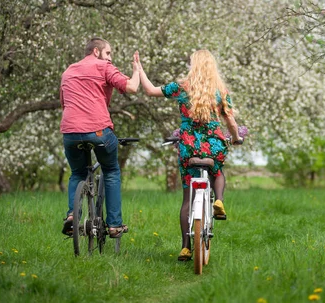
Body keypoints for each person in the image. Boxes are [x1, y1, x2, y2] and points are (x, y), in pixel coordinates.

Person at [136, 49, 242, 261]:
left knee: (187, 199)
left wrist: (138, 69)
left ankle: (185, 247)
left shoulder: (181, 87)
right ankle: (219, 200)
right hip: (213, 145)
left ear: (193, 65)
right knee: (217, 171)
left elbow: (149, 90)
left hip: (188, 146)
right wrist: (237, 137)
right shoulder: (221, 91)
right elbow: (230, 121)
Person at [60, 38, 140, 238]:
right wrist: (137, 70)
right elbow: (132, 87)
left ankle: (72, 216)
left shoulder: (68, 71)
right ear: (96, 51)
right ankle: (114, 225)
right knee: (111, 170)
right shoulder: (104, 66)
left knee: (77, 173)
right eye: (108, 53)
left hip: (69, 132)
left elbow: (64, 103)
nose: (110, 58)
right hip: (98, 130)